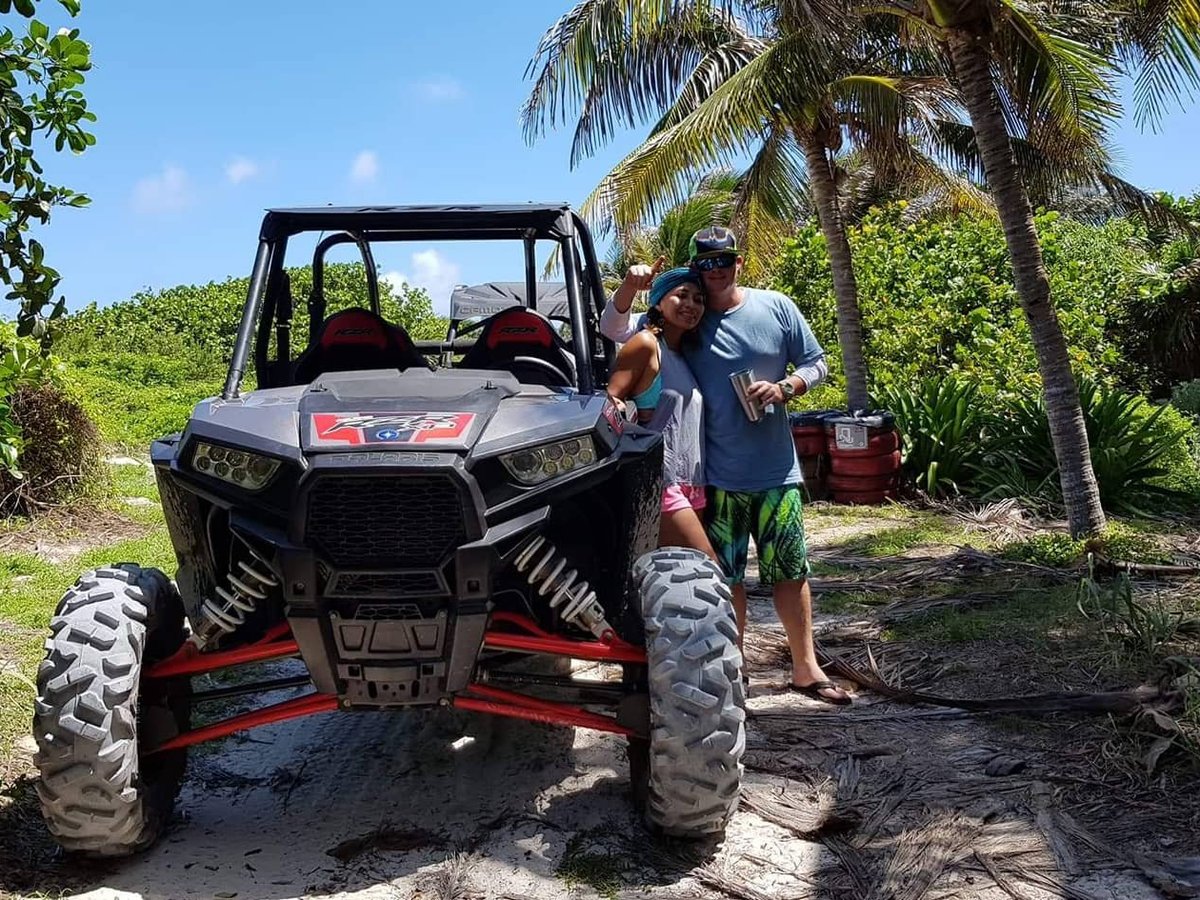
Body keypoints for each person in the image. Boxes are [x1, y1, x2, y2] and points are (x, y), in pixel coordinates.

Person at [601, 228, 849, 705]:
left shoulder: (772, 307)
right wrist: (631, 286)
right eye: (702, 268)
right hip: (715, 481)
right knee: (721, 578)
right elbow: (615, 331)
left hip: (775, 473)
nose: (711, 277)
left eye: (723, 261)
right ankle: (729, 670)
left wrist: (787, 387)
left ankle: (806, 667)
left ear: (739, 262)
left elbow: (817, 363)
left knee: (790, 571)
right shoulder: (669, 335)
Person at [606, 266, 714, 558]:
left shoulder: (688, 354)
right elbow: (610, 400)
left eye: (699, 299)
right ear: (657, 301)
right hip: (661, 480)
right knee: (708, 570)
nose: (691, 305)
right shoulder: (646, 344)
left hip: (694, 482)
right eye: (681, 295)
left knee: (680, 576)